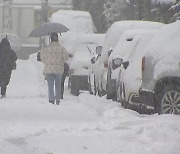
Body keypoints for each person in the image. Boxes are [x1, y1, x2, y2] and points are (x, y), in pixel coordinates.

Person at [40, 33, 69, 105]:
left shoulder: (46, 49)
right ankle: (58, 99)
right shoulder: (62, 49)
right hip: (59, 69)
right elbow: (66, 58)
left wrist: (47, 61)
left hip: (49, 69)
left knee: (50, 85)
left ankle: (51, 99)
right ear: (57, 39)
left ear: (50, 39)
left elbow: (42, 57)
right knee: (58, 85)